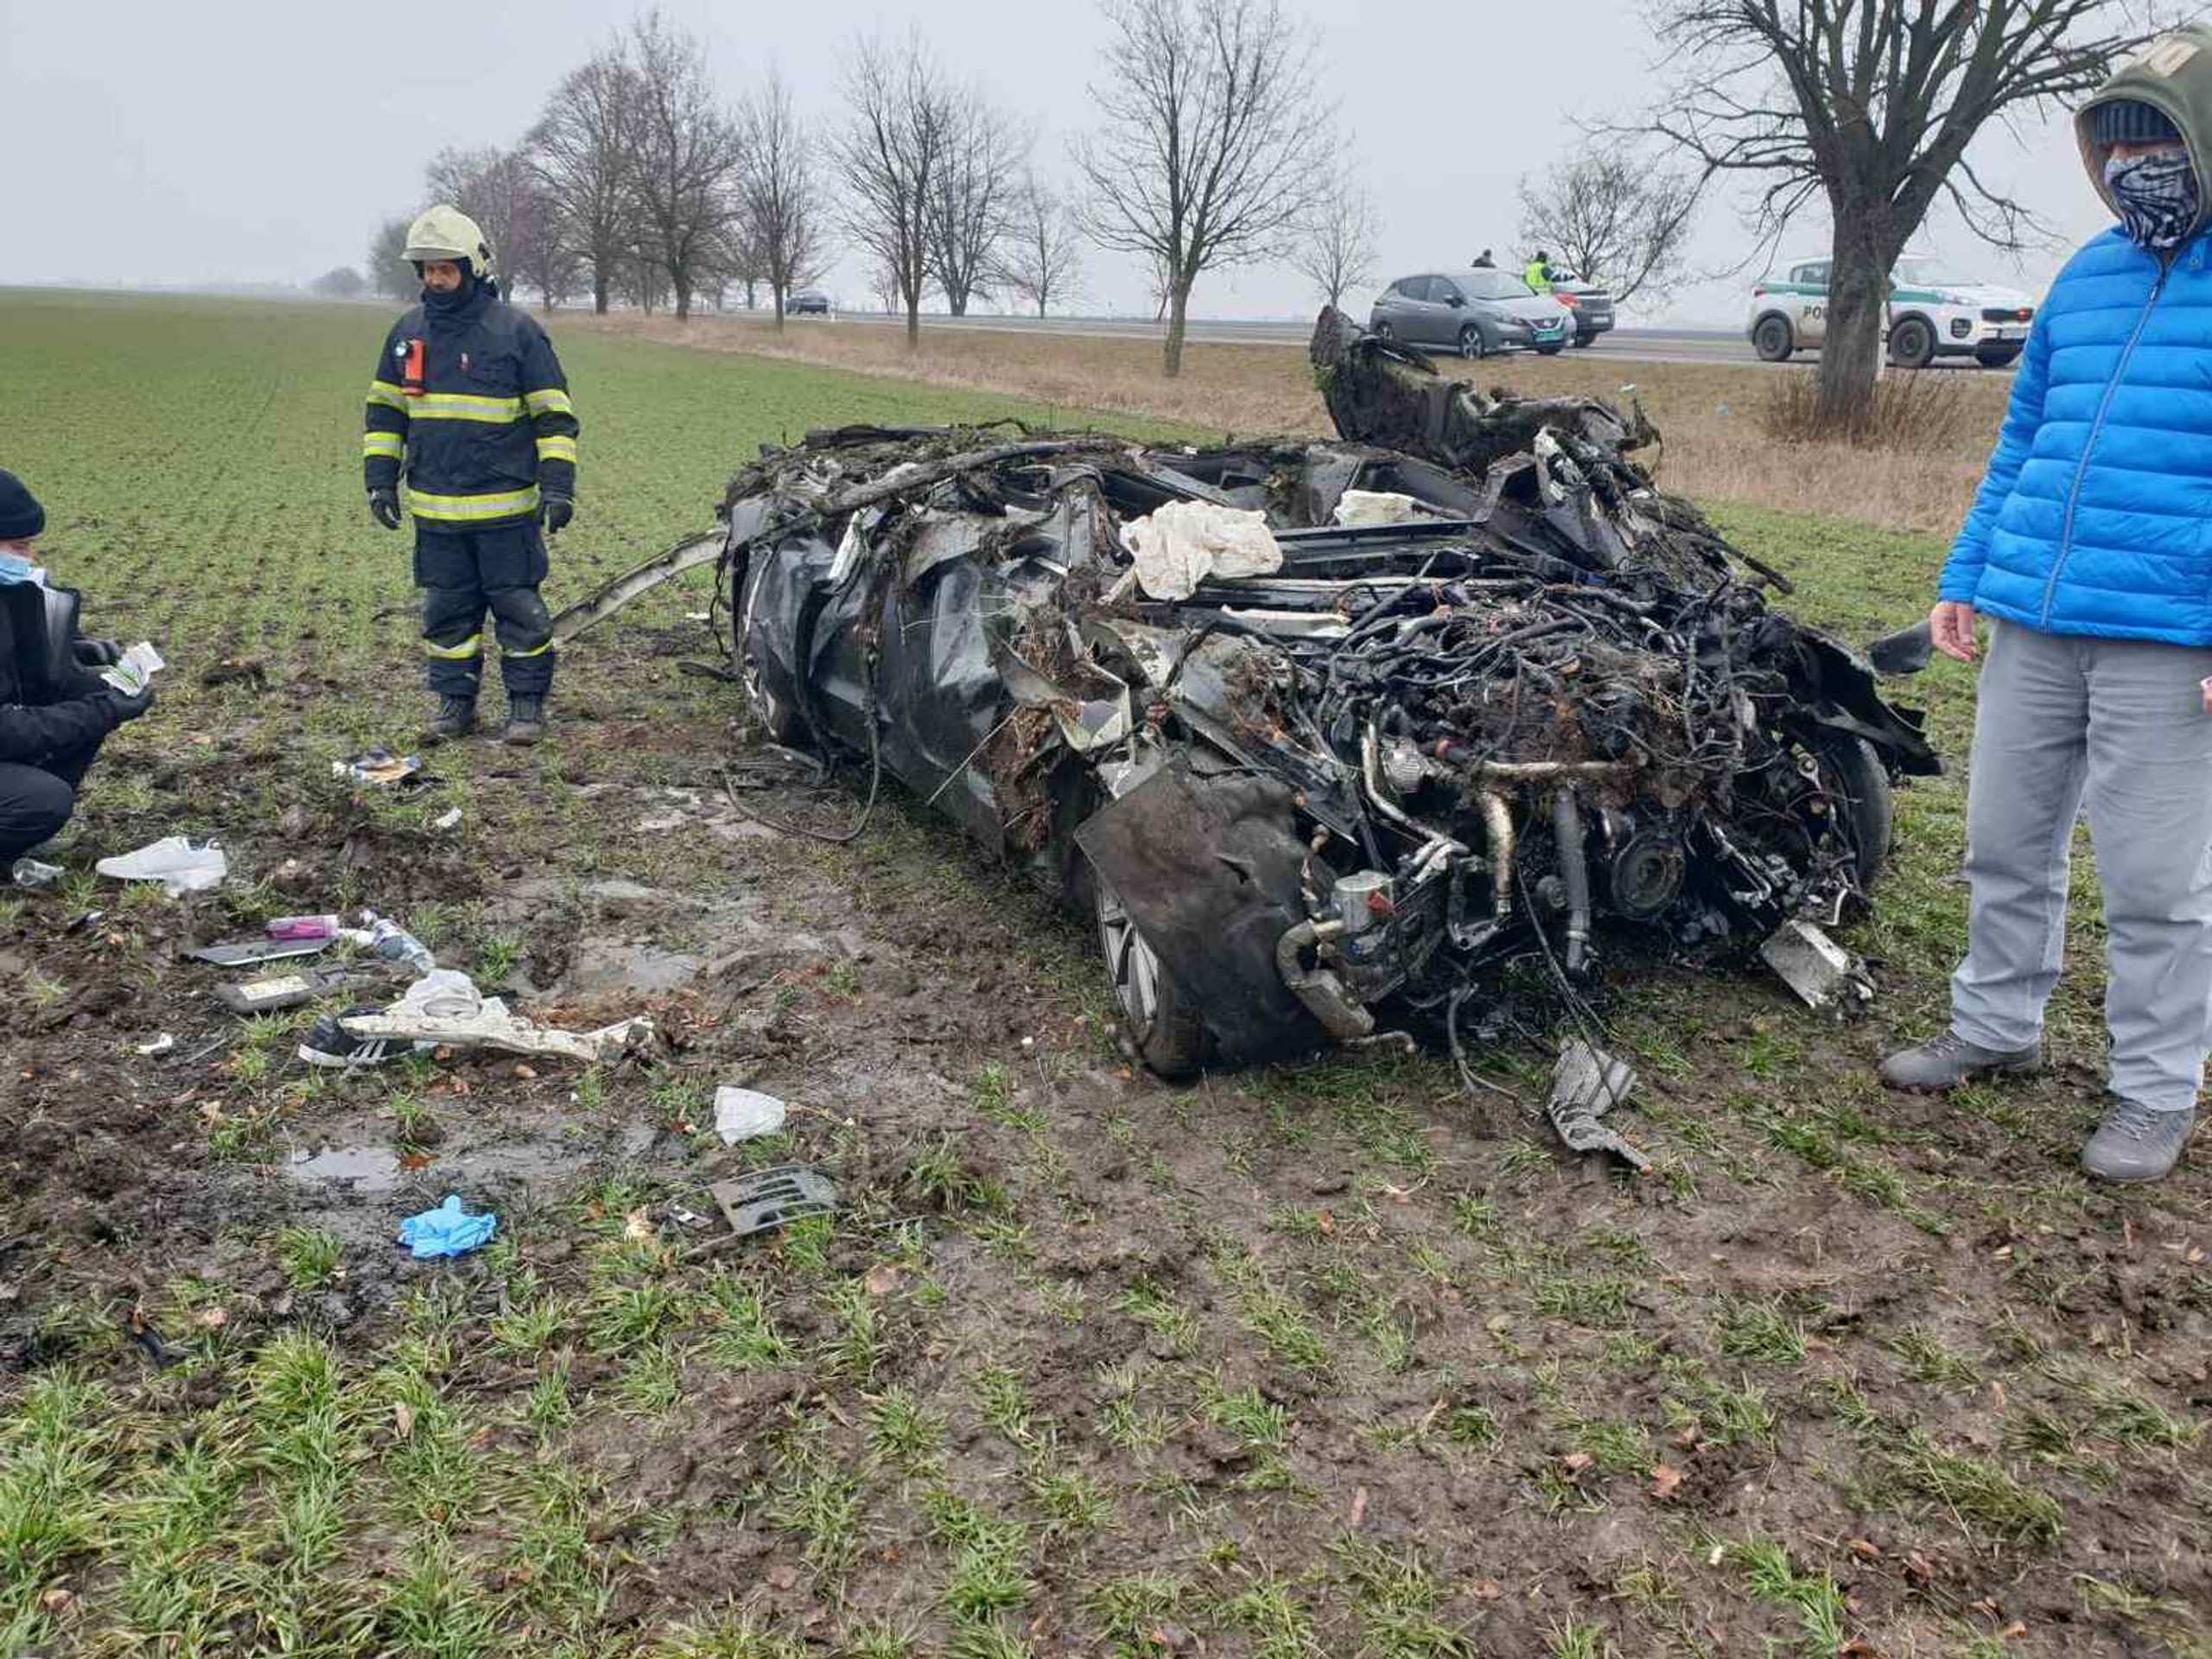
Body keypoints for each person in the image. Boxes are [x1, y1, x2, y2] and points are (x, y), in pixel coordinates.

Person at [1879, 28, 2212, 1184]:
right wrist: (1968, 578)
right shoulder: (2087, 274)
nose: (2133, 164)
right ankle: (1996, 1025)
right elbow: (2024, 443)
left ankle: (2154, 1093)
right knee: (2005, 841)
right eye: (2114, 143)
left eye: (2159, 137)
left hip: (2170, 636)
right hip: (2036, 614)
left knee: (2158, 885)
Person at [363, 204, 580, 746]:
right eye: (428, 269)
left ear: (473, 267)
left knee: (520, 614)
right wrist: (379, 478)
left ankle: (526, 708)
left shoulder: (517, 333)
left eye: (446, 268)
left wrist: (557, 487)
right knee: (446, 616)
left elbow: (554, 416)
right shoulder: (406, 334)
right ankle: (454, 706)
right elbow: (385, 414)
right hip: (435, 515)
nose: (436, 279)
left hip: (506, 513)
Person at [0, 469, 155, 866]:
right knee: (40, 800)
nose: (28, 559)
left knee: (92, 691)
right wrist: (105, 709)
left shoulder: (10, 589)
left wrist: (76, 650)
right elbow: (6, 731)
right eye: (18, 547)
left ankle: (17, 839)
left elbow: (23, 659)